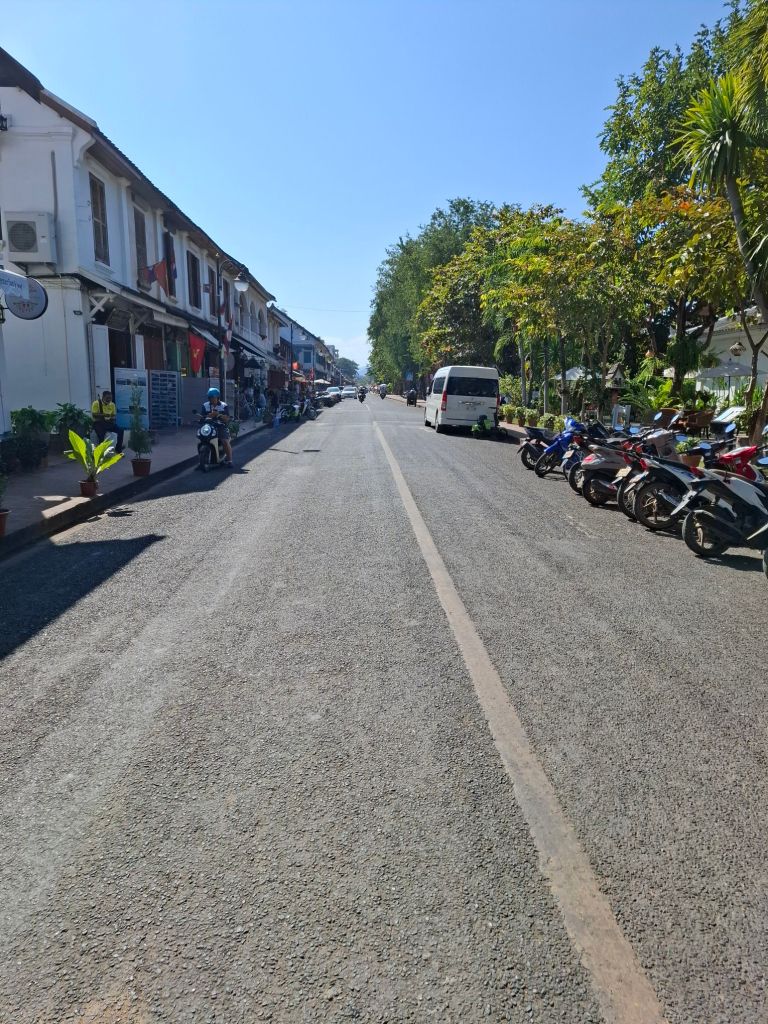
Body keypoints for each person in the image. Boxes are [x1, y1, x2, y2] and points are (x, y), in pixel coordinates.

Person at [201, 387, 233, 466]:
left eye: (213, 398)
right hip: (208, 426)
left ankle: (230, 460)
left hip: (220, 426)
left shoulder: (223, 405)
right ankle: (201, 460)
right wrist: (206, 417)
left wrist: (218, 415)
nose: (211, 400)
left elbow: (227, 418)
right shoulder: (205, 405)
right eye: (210, 398)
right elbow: (202, 417)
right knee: (201, 438)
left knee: (224, 441)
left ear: (217, 398)